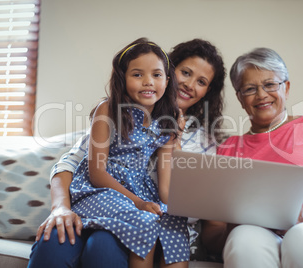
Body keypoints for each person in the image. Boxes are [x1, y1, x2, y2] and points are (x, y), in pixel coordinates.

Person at [28, 38, 226, 267]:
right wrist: (60, 207)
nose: (190, 84)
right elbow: (76, 164)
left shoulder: (194, 137)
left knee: (163, 229)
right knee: (56, 244)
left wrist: (176, 144)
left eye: (201, 81)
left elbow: (172, 194)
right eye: (186, 72)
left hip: (140, 207)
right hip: (106, 197)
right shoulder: (115, 111)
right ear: (172, 70)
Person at [202, 47, 303, 267]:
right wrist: (236, 225)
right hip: (264, 235)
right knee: (244, 239)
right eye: (250, 89)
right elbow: (213, 233)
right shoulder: (228, 149)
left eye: (270, 84)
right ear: (240, 98)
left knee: (301, 237)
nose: (261, 95)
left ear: (286, 88)